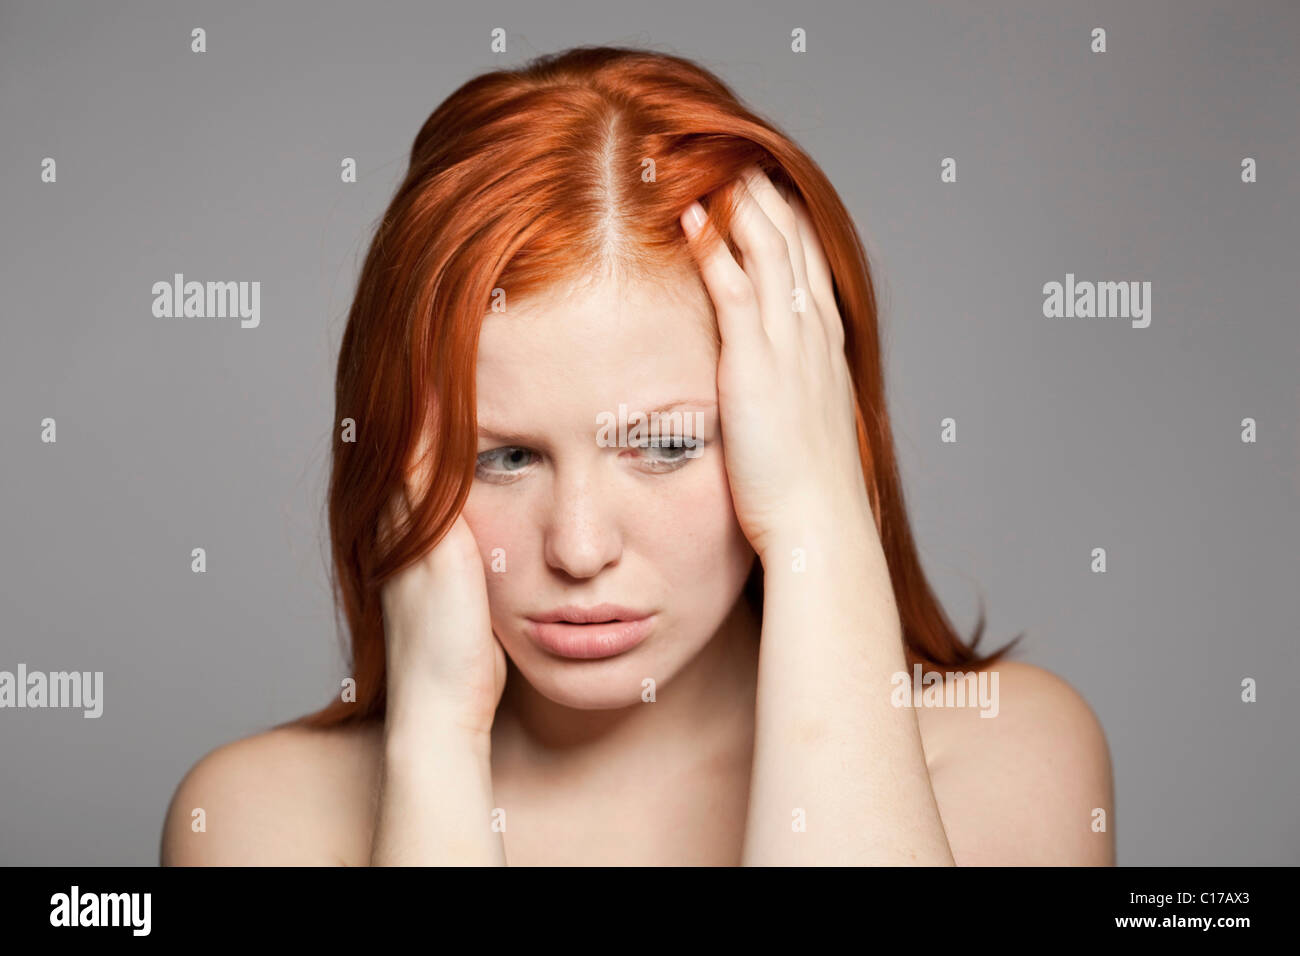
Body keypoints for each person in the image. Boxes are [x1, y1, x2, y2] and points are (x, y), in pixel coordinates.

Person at [161, 46, 1114, 866]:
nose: (578, 548)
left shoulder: (1007, 755)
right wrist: (436, 746)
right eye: (502, 458)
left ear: (806, 426)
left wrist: (824, 521)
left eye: (663, 445)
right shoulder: (258, 821)